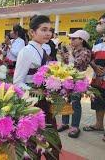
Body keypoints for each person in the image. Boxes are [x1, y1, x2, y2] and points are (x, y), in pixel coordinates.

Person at [13, 15, 61, 159]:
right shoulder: (26, 51)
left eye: (50, 30)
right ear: (32, 32)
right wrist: (35, 92)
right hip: (33, 104)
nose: (48, 33)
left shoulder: (43, 50)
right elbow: (17, 82)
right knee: (33, 144)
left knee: (53, 143)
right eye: (43, 29)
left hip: (45, 102)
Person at [58, 30, 92, 138]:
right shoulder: (72, 50)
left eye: (74, 38)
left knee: (75, 103)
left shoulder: (85, 52)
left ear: (81, 40)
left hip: (78, 81)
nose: (71, 41)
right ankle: (65, 123)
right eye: (71, 38)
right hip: (67, 79)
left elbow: (74, 65)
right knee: (65, 101)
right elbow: (65, 63)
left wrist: (69, 52)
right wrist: (64, 54)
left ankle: (75, 126)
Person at [84, 13, 105, 141]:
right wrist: (95, 67)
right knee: (98, 102)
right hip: (97, 78)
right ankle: (99, 125)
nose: (99, 25)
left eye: (101, 22)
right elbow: (91, 58)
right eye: (99, 22)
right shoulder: (97, 42)